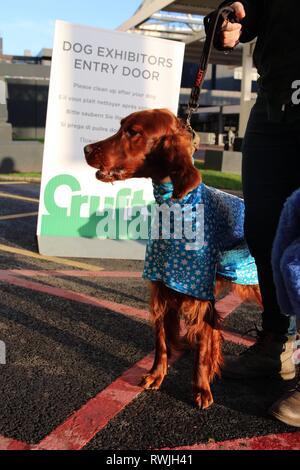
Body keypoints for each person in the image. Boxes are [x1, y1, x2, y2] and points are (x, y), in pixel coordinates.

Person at [206, 1, 300, 424]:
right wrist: (225, 23)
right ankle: (278, 343)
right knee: (263, 230)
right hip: (274, 102)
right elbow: (244, 14)